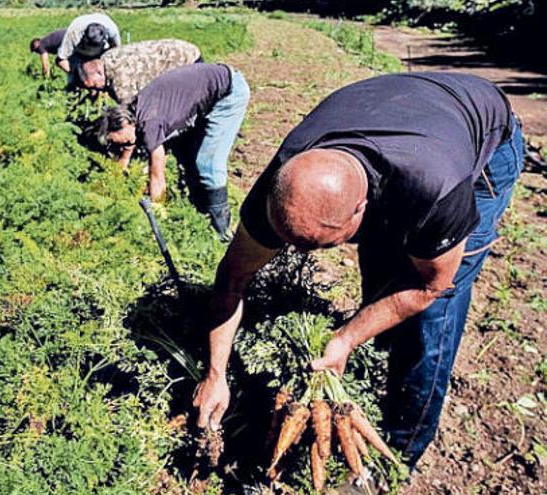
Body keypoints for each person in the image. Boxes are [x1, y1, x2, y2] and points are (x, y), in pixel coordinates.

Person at [192, 72, 522, 475]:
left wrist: (346, 338)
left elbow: (430, 285)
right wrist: (215, 374)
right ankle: (381, 358)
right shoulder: (282, 182)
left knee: (432, 316)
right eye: (290, 240)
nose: (297, 253)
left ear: (361, 209)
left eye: (322, 245)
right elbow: (232, 279)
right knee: (382, 270)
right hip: (400, 111)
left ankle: (398, 456)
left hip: (482, 134)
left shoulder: (438, 190)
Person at [97, 63, 250, 240]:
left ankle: (222, 232)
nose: (121, 146)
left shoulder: (149, 124)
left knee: (208, 164)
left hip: (228, 93)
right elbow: (131, 144)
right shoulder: (135, 110)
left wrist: (160, 214)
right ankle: (200, 214)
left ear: (125, 124)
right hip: (214, 85)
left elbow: (157, 177)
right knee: (186, 155)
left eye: (117, 140)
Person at [76, 38, 202, 104]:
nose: (97, 90)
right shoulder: (107, 57)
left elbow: (133, 111)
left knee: (190, 103)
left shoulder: (120, 81)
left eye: (94, 85)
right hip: (182, 47)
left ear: (98, 72)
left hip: (185, 61)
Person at [55, 13, 121, 75]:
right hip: (78, 56)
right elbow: (61, 60)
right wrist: (77, 76)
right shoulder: (74, 33)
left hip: (102, 55)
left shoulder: (112, 31)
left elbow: (117, 54)